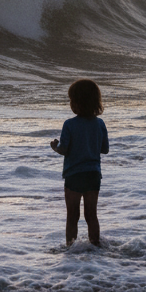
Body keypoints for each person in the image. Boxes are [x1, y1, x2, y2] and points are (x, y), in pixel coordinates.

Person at [50, 79, 109, 247]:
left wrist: (55, 147)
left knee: (72, 216)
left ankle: (70, 247)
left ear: (77, 102)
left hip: (74, 175)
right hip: (93, 175)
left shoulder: (69, 124)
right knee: (91, 215)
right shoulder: (100, 124)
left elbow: (65, 150)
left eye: (71, 100)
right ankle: (95, 246)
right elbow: (105, 149)